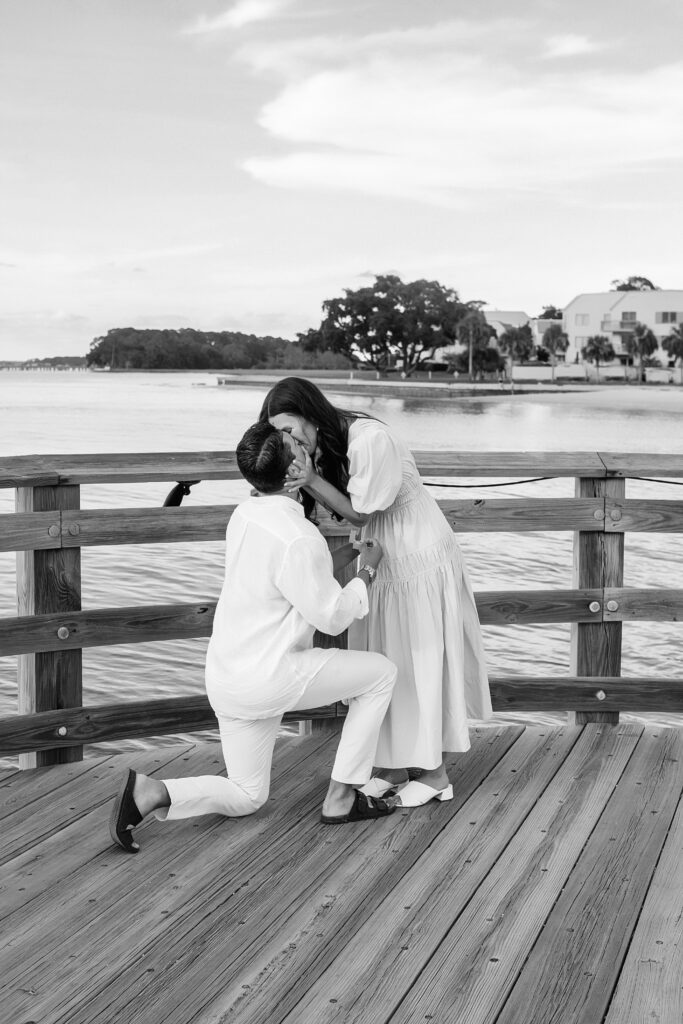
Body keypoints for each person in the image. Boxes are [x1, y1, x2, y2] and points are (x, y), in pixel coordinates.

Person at [109, 421, 397, 853]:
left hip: (228, 678)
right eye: (297, 445)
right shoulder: (299, 537)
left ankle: (152, 792)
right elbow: (333, 617)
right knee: (381, 675)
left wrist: (345, 554)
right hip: (270, 677)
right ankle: (342, 796)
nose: (304, 447)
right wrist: (368, 571)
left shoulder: (244, 516)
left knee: (248, 795)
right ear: (292, 471)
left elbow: (289, 576)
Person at [260, 377, 492, 808]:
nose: (288, 440)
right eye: (280, 435)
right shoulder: (327, 443)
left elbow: (363, 511)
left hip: (415, 555)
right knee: (386, 658)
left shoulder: (369, 439)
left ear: (310, 414)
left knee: (419, 660)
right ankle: (392, 765)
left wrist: (309, 478)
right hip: (383, 556)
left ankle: (436, 774)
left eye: (290, 430)